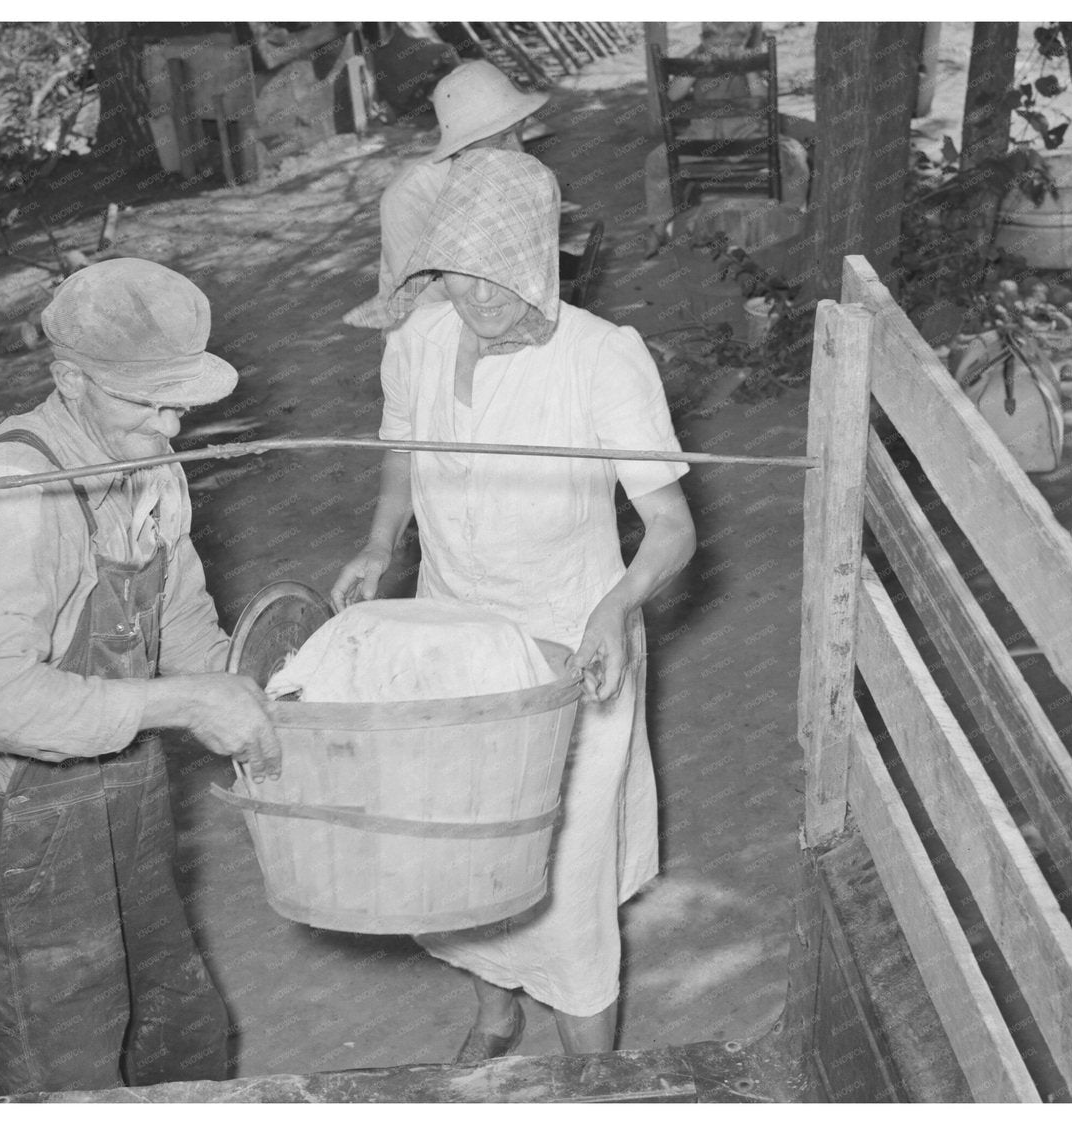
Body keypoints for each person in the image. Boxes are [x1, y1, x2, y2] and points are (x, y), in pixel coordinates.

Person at [331, 148, 696, 1060]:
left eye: (499, 276)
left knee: (564, 878)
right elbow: (404, 455)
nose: (480, 297)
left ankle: (595, 1075)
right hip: (452, 642)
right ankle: (497, 1010)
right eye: (459, 273)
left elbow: (672, 529)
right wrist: (381, 543)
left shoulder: (602, 356)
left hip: (575, 651)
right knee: (465, 851)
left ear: (540, 259)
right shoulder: (417, 338)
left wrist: (615, 608)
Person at [0, 258, 282, 1095]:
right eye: (144, 401)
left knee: (179, 1030)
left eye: (178, 402)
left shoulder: (148, 456)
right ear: (68, 378)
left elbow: (180, 622)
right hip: (21, 824)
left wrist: (257, 686)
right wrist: (187, 703)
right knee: (62, 1068)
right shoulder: (19, 495)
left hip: (123, 790)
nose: (169, 425)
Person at [343, 60, 549, 330]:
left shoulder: (507, 175)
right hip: (432, 335)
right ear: (462, 146)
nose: (519, 150)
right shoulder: (409, 198)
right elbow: (428, 304)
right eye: (502, 138)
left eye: (518, 131)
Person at [643, 22, 811, 252]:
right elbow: (673, 94)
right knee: (656, 160)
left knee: (795, 156)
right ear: (705, 39)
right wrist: (697, 64)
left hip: (749, 139)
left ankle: (791, 216)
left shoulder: (751, 60)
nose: (725, 48)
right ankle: (659, 227)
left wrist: (748, 66)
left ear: (744, 39)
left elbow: (763, 97)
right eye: (717, 42)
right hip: (705, 141)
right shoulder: (696, 59)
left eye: (733, 42)